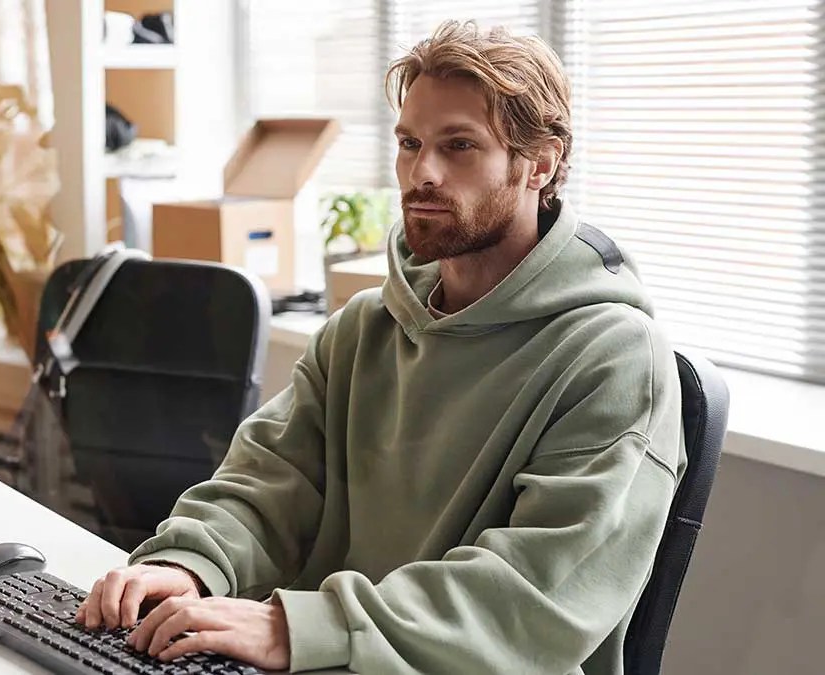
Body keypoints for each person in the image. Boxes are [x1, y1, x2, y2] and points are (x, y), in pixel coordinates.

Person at [76, 19, 685, 674]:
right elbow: (267, 483)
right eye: (410, 143)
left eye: (459, 146)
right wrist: (189, 563)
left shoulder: (615, 361)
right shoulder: (365, 326)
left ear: (541, 163)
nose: (421, 172)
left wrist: (295, 627)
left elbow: (525, 600)